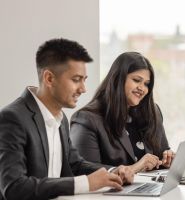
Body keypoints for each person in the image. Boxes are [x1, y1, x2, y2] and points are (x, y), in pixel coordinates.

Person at [0, 39, 135, 200]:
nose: (83, 89)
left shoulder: (60, 118)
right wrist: (85, 183)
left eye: (84, 80)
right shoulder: (12, 118)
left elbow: (75, 164)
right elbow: (13, 187)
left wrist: (113, 172)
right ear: (49, 79)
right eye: (76, 79)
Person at [70, 52, 173, 173]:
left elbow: (160, 156)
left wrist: (167, 160)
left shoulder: (152, 111)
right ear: (118, 79)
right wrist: (134, 168)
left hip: (148, 189)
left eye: (146, 84)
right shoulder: (86, 118)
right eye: (136, 80)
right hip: (110, 191)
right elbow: (84, 171)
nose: (142, 88)